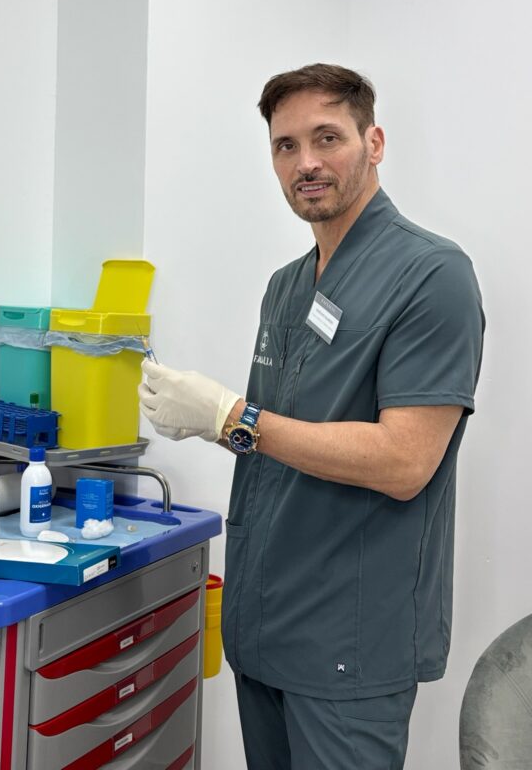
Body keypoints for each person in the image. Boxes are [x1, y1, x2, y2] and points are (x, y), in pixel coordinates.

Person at [138, 63, 484, 770]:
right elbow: (285, 440)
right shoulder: (286, 288)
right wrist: (210, 420)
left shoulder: (432, 274)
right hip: (264, 625)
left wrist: (230, 416)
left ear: (373, 143)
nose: (306, 163)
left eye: (327, 137)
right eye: (285, 146)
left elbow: (405, 462)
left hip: (349, 643)